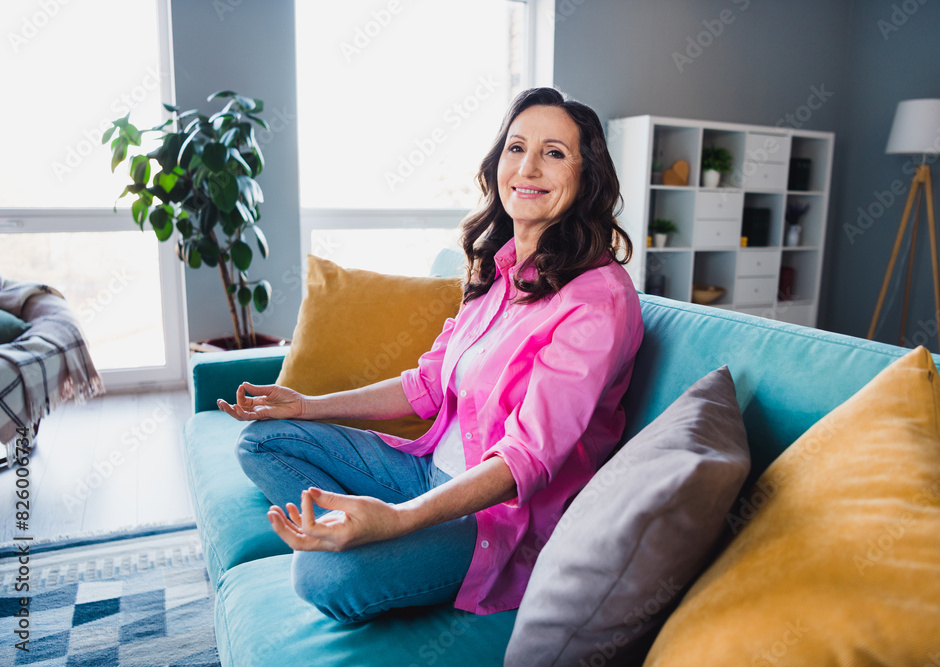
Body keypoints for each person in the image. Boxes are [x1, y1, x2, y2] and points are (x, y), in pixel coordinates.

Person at [218, 87, 644, 622]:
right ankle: (355, 526)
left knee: (320, 576)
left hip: (495, 520)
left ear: (587, 178)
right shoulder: (501, 273)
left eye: (554, 153)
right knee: (263, 440)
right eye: (516, 147)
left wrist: (398, 521)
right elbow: (425, 385)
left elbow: (525, 460)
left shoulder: (598, 300)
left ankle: (376, 538)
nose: (529, 166)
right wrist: (304, 405)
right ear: (498, 165)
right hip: (425, 472)